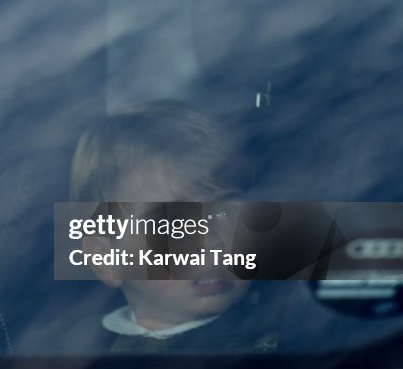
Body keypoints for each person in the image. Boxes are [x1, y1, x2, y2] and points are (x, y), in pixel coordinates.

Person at [68, 100, 282, 354]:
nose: (212, 242)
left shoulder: (284, 343)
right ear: (106, 259)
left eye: (226, 213)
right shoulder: (77, 357)